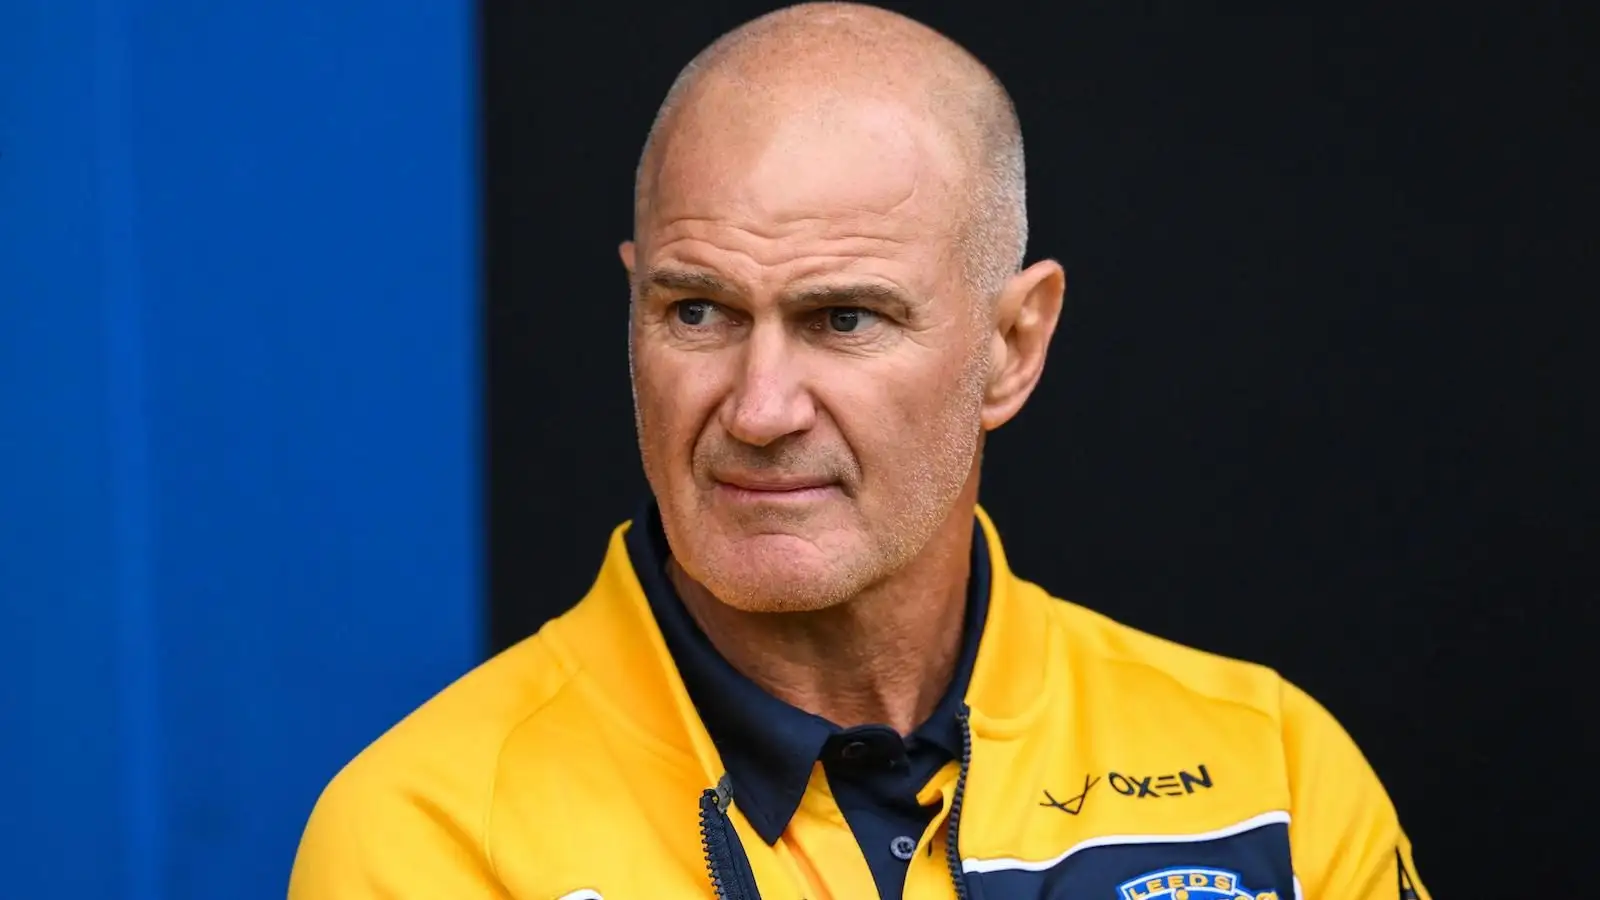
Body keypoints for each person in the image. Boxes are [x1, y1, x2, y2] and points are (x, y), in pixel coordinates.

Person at [288, 4, 1430, 898]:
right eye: (698, 311)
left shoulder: (1269, 776)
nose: (759, 409)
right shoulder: (434, 834)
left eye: (843, 319)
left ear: (1012, 347)